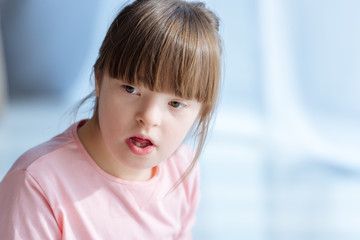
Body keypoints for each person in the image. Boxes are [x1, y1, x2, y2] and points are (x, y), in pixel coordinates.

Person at [0, 0, 222, 239]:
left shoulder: (181, 172)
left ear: (202, 111)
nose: (148, 117)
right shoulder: (37, 184)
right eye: (130, 89)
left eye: (175, 104)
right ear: (98, 79)